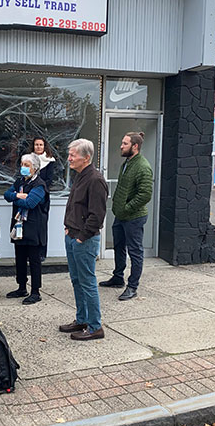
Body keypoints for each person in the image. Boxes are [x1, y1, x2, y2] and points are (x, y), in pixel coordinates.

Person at [59, 138, 109, 341]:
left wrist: (81, 238)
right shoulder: (80, 176)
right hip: (72, 235)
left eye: (73, 155)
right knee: (77, 281)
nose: (69, 158)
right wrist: (67, 228)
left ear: (86, 158)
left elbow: (97, 215)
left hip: (84, 240)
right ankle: (82, 320)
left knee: (87, 282)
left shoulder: (95, 180)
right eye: (69, 154)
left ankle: (95, 327)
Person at [100, 131, 154, 301]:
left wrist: (126, 208)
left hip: (134, 217)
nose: (121, 146)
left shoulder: (143, 166)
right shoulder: (127, 163)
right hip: (121, 216)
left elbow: (145, 194)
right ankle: (118, 277)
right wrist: (120, 209)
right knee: (118, 247)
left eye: (125, 144)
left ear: (135, 146)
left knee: (135, 251)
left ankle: (132, 286)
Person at [3, 153, 49, 305]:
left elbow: (30, 203)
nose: (23, 167)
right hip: (19, 226)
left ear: (35, 168)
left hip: (34, 228)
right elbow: (6, 195)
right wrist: (18, 195)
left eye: (27, 165)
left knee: (34, 261)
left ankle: (35, 291)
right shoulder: (19, 182)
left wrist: (17, 198)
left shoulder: (40, 185)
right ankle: (21, 287)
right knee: (20, 258)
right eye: (22, 164)